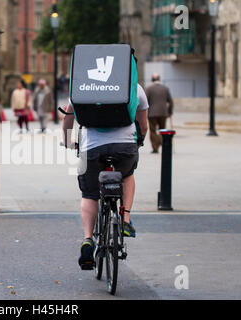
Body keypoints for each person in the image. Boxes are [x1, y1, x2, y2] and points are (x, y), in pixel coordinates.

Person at [62, 84, 149, 270]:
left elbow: (67, 120)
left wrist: (67, 141)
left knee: (90, 194)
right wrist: (138, 143)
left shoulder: (83, 84)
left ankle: (87, 240)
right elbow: (144, 124)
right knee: (127, 175)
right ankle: (125, 220)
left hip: (92, 148)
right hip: (125, 147)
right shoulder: (133, 85)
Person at [145, 74, 174, 154]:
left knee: (153, 130)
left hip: (152, 113)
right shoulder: (165, 88)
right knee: (162, 130)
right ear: (159, 79)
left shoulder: (148, 89)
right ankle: (162, 143)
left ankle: (155, 147)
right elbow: (170, 102)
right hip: (163, 113)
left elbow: (145, 101)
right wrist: (170, 112)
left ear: (152, 80)